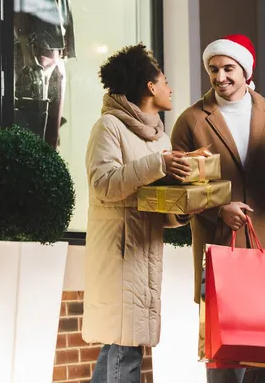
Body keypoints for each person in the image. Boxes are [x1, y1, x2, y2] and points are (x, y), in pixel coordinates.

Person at [170, 34, 265, 383]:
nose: (220, 76)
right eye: (213, 69)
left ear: (245, 69)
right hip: (216, 244)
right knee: (221, 351)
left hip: (259, 242)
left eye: (228, 68)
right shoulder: (191, 120)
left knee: (260, 344)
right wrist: (219, 209)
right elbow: (180, 188)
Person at [83, 43, 194, 382]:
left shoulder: (159, 139)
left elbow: (155, 202)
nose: (170, 88)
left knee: (122, 344)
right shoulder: (109, 127)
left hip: (145, 253)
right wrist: (159, 164)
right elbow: (104, 183)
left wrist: (184, 210)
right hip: (118, 252)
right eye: (165, 81)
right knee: (126, 348)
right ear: (150, 86)